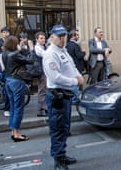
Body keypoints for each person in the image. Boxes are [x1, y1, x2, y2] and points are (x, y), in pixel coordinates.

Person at [43, 24, 84, 169]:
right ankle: (58, 161)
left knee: (65, 127)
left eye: (63, 36)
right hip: (57, 95)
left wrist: (78, 75)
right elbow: (55, 77)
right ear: (52, 37)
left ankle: (62, 154)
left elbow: (71, 67)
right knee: (58, 129)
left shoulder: (63, 50)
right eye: (59, 36)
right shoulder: (50, 54)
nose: (62, 39)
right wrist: (75, 81)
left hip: (65, 94)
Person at [2, 35, 34, 142]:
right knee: (18, 108)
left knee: (12, 108)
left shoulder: (5, 54)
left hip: (8, 80)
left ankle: (13, 131)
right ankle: (16, 133)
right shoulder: (14, 55)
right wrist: (30, 49)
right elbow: (30, 60)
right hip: (17, 81)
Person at [66, 29, 86, 104]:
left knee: (73, 83)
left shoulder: (67, 45)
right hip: (76, 66)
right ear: (73, 36)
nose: (78, 36)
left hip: (70, 67)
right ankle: (74, 99)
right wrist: (83, 52)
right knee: (76, 83)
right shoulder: (75, 45)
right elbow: (79, 56)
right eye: (77, 35)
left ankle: (73, 98)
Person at [34, 31, 48, 117]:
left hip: (45, 71)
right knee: (42, 90)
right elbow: (45, 55)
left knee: (44, 90)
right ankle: (41, 109)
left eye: (44, 38)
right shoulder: (37, 48)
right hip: (41, 71)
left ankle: (43, 108)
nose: (43, 40)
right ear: (37, 39)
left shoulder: (44, 47)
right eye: (41, 38)